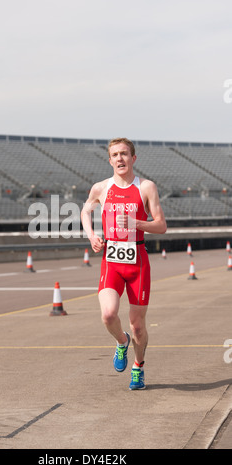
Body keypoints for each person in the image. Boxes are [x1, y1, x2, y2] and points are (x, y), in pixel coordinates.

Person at [81, 138, 167, 390]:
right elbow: (85, 211)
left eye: (124, 154)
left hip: (138, 262)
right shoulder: (101, 188)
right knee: (108, 315)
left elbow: (161, 225)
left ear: (133, 159)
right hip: (112, 261)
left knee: (138, 326)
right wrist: (92, 235)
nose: (120, 159)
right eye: (115, 155)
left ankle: (138, 367)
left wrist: (137, 224)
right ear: (110, 160)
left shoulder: (146, 187)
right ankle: (121, 342)